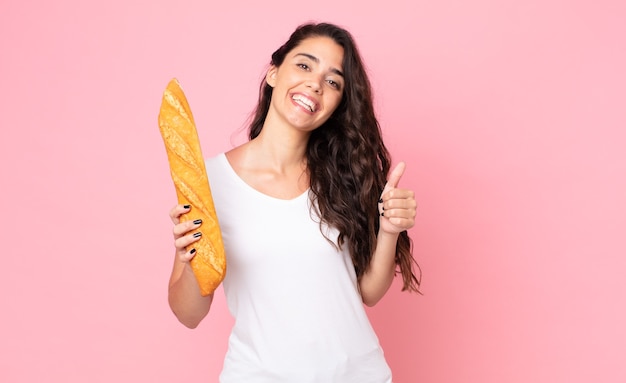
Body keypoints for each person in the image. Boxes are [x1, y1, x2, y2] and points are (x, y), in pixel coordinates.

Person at [167, 22, 421, 382]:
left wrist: (390, 231)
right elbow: (188, 314)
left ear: (337, 104)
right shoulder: (208, 182)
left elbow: (367, 292)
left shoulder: (343, 175)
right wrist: (189, 256)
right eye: (304, 65)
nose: (315, 84)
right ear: (273, 72)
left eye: (333, 81)